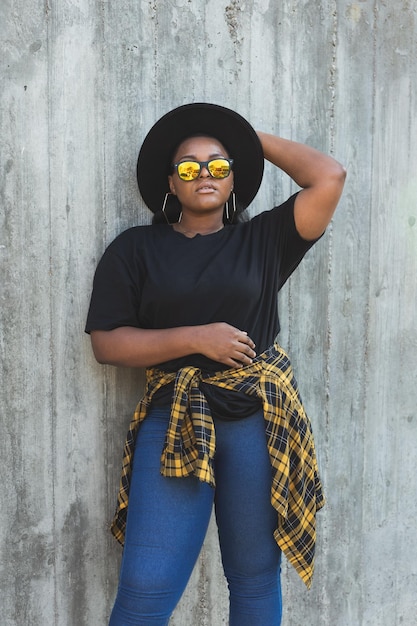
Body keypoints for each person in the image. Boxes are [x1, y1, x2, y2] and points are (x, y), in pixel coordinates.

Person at [85, 103, 346, 626]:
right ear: (170, 183)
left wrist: (244, 138)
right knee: (144, 588)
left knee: (253, 579)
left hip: (255, 422)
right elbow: (107, 344)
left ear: (235, 177)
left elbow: (328, 176)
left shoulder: (265, 240)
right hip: (175, 417)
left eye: (219, 165)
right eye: (188, 166)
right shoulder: (135, 249)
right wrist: (196, 338)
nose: (204, 173)